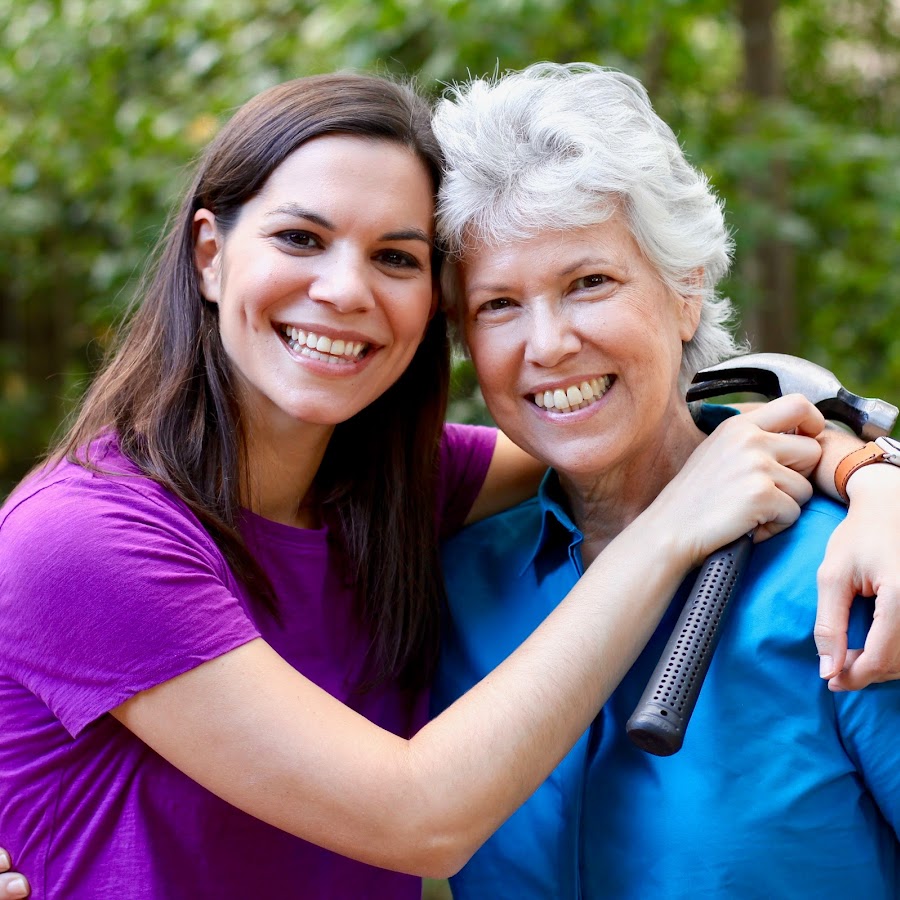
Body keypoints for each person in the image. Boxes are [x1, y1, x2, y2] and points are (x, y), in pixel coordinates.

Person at [0, 71, 833, 899]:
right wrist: (668, 532)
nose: (343, 290)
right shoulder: (84, 537)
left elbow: (640, 432)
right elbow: (420, 819)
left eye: (395, 257)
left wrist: (867, 474)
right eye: (300, 238)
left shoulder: (389, 490)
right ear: (211, 255)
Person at [430, 62, 900, 898]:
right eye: (498, 304)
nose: (547, 345)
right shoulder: (452, 585)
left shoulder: (851, 576)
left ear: (687, 290)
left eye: (589, 283)